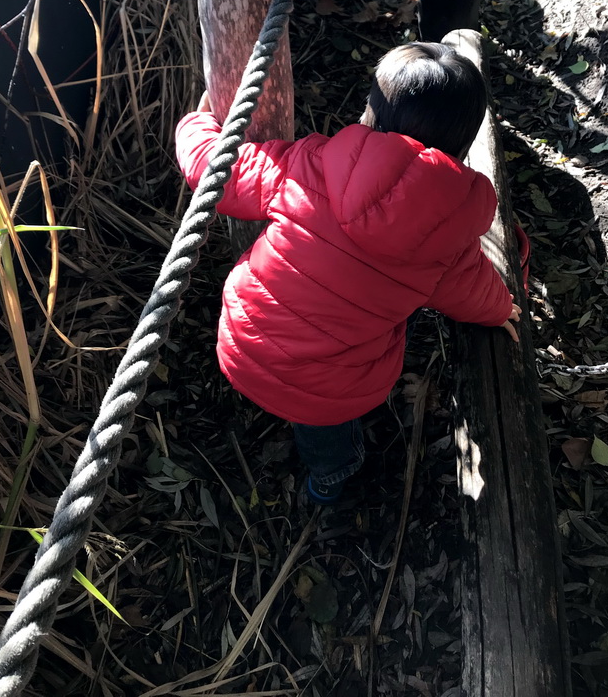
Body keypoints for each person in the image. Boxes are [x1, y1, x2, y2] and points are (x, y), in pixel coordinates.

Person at [175, 42, 523, 505]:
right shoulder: (449, 234)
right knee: (325, 425)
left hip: (243, 344)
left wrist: (197, 123)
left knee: (309, 364)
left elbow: (216, 170)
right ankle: (333, 476)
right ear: (463, 142)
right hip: (329, 391)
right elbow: (470, 290)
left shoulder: (307, 165)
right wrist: (502, 310)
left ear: (369, 112)